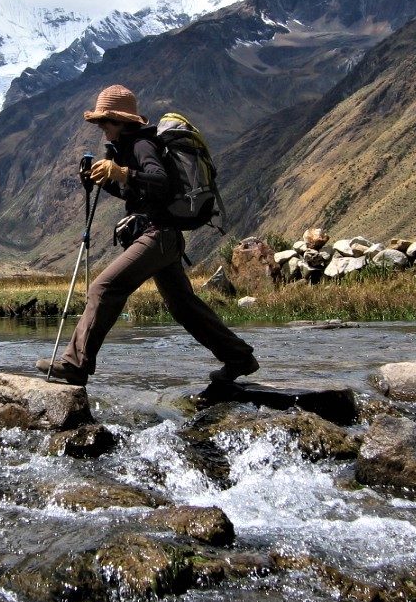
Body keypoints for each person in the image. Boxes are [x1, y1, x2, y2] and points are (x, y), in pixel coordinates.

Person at [37, 84, 259, 387]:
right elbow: (139, 193)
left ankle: (76, 365)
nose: (101, 128)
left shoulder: (142, 145)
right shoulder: (128, 147)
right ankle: (239, 358)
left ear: (119, 121)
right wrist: (103, 180)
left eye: (105, 121)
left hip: (159, 235)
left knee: (104, 287)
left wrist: (123, 172)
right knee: (184, 306)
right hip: (164, 239)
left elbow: (160, 183)